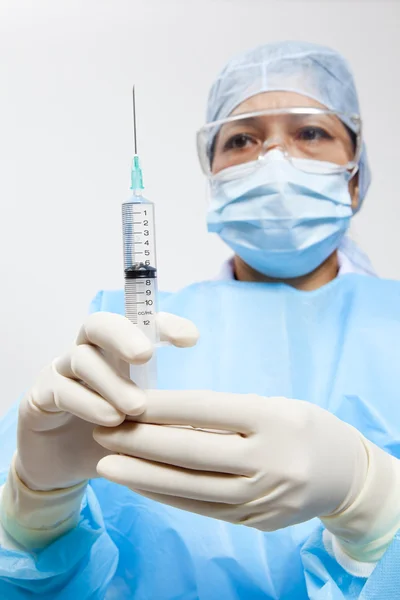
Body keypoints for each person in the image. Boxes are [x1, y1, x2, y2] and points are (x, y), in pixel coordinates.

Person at [0, 41, 399, 600]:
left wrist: (375, 502)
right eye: (242, 139)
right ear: (214, 176)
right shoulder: (125, 329)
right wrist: (35, 508)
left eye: (310, 132)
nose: (274, 159)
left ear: (355, 178)